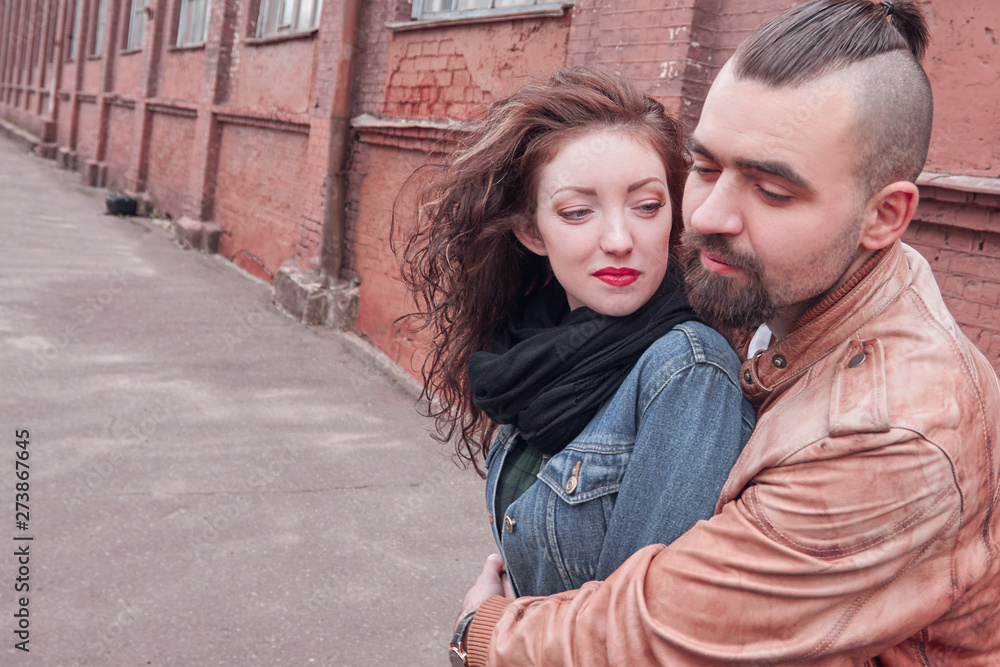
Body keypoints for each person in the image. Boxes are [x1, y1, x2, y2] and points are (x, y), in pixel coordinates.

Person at [453, 1, 1000, 665]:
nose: (707, 215)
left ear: (883, 215)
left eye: (771, 190)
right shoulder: (776, 302)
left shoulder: (891, 431)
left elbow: (654, 632)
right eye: (706, 167)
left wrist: (481, 633)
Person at [397, 67, 754, 636]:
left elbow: (641, 633)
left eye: (646, 205)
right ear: (532, 232)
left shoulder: (687, 372)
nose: (620, 238)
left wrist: (481, 629)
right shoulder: (532, 348)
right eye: (577, 211)